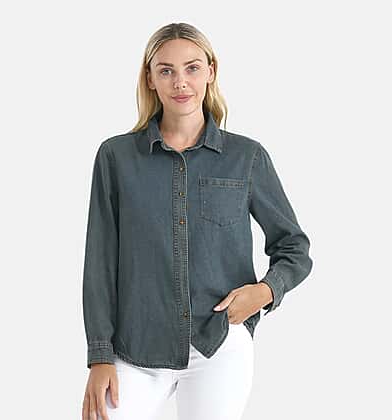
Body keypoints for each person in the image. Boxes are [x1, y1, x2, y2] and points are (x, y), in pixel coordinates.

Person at [81, 22, 313, 420]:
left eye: (191, 68)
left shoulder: (246, 157)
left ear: (210, 71)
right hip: (136, 347)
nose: (180, 82)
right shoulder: (116, 158)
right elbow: (100, 262)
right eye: (166, 70)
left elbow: (294, 247)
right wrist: (100, 356)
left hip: (218, 344)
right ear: (150, 78)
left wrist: (265, 292)